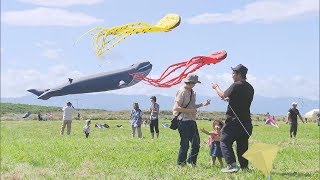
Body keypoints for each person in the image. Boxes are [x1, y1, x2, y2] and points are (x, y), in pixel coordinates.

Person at [211, 64, 254, 173]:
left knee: (224, 140)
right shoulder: (250, 88)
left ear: (239, 74)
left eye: (233, 73)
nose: (232, 76)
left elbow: (223, 95)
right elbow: (239, 100)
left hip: (233, 122)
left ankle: (231, 165)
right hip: (246, 123)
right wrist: (229, 100)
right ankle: (244, 167)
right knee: (242, 146)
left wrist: (216, 87)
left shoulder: (236, 85)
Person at [173, 74, 210, 167]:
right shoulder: (182, 91)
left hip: (191, 120)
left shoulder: (192, 92)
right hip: (183, 121)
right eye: (194, 83)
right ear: (191, 83)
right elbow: (176, 108)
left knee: (196, 143)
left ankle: (191, 162)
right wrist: (191, 111)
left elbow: (192, 106)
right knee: (185, 144)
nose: (195, 85)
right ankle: (181, 164)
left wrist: (202, 104)